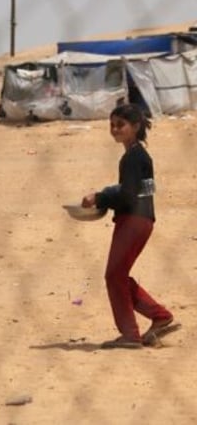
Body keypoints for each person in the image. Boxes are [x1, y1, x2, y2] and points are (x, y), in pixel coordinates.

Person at [81, 104, 178, 349]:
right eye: (112, 125)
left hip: (133, 222)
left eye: (120, 125)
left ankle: (131, 334)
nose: (114, 130)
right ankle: (158, 316)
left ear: (135, 126)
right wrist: (107, 193)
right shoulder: (139, 155)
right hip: (143, 220)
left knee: (114, 276)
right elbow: (136, 190)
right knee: (118, 275)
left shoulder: (133, 157)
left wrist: (99, 199)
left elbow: (128, 196)